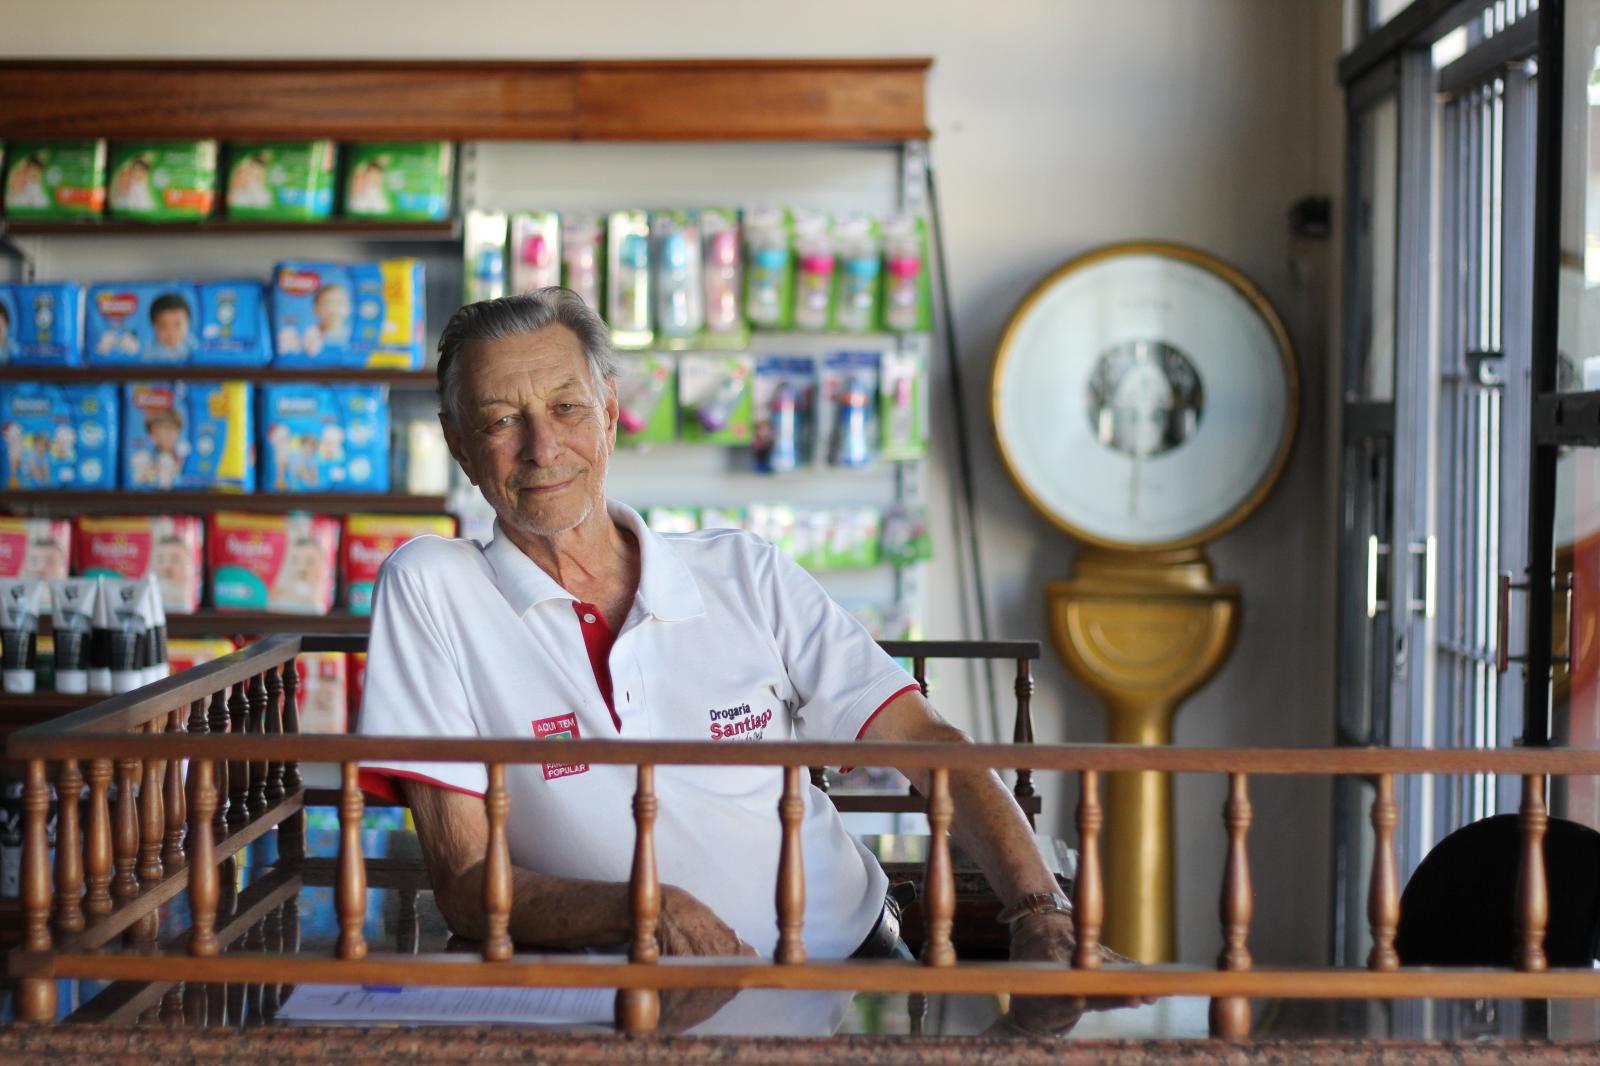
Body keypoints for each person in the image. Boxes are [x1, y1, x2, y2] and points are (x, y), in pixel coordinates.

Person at [357, 288, 1138, 1036]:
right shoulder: (434, 588)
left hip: (846, 972)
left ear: (610, 415)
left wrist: (1040, 912)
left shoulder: (741, 570)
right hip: (629, 1006)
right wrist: (644, 907)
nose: (542, 446)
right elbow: (465, 885)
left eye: (565, 407)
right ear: (459, 445)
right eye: (501, 419)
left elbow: (926, 744)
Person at [148, 293, 195, 361]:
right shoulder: (150, 355)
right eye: (163, 326)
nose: (171, 332)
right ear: (154, 326)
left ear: (188, 323)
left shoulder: (195, 346)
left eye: (177, 324)